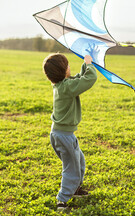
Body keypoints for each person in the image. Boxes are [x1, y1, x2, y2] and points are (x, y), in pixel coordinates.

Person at [42, 52, 97, 211]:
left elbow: (78, 79)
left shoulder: (62, 85)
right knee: (71, 167)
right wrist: (89, 65)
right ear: (63, 71)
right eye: (68, 66)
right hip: (64, 136)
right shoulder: (66, 87)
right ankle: (62, 200)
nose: (69, 67)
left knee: (79, 161)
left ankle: (75, 189)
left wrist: (85, 65)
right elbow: (88, 79)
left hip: (62, 134)